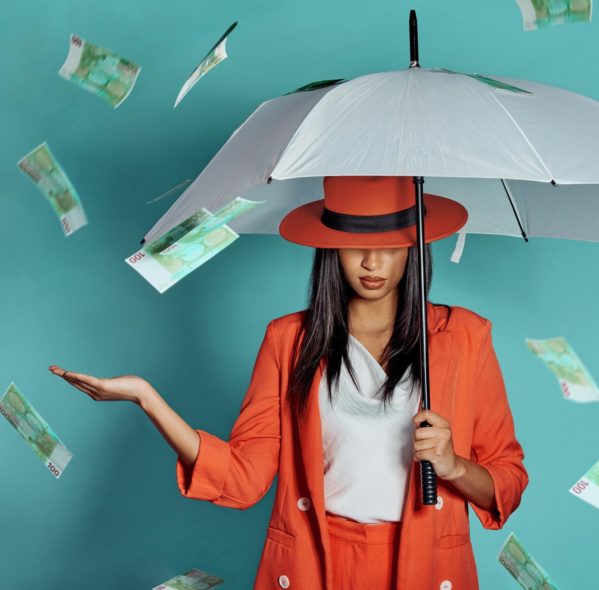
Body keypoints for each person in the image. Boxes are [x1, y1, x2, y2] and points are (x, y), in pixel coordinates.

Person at [49, 176, 528, 590]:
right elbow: (242, 479)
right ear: (329, 245)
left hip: (425, 563)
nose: (371, 263)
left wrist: (452, 465)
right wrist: (146, 398)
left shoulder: (464, 337)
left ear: (415, 244)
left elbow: (507, 481)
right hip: (316, 561)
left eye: (389, 243)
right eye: (355, 244)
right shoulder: (289, 341)